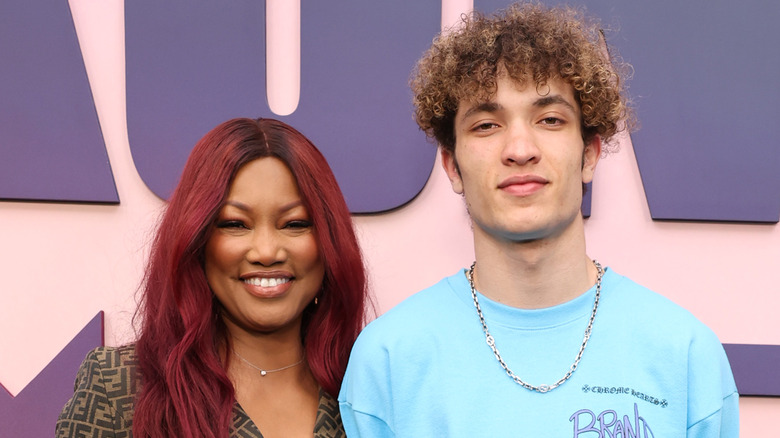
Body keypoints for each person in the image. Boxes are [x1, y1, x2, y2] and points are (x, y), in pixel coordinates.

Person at [338, 3, 738, 437]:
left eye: (549, 119)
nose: (520, 148)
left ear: (589, 154)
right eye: (487, 125)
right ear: (452, 166)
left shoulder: (685, 356)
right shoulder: (388, 362)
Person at [56, 118, 369, 437]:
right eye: (235, 224)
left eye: (294, 224)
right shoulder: (120, 386)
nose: (266, 251)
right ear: (197, 241)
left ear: (330, 240)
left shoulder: (373, 386)